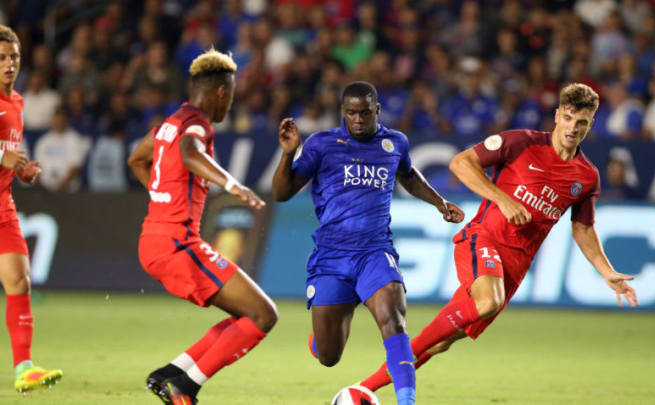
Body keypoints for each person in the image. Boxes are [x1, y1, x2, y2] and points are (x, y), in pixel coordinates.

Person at [358, 83, 639, 395]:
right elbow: (461, 163)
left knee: (440, 343)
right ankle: (391, 363)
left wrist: (607, 271)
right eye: (569, 118)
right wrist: (502, 199)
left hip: (514, 268)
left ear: (590, 125)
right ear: (558, 116)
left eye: (582, 122)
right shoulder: (522, 142)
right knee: (487, 302)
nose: (573, 127)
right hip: (482, 239)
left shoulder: (586, 176)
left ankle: (361, 390)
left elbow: (583, 228)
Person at [272, 81, 465, 405]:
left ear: (376, 111)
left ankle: (407, 401)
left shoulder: (395, 143)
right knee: (329, 356)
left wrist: (440, 203)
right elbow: (281, 193)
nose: (358, 119)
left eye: (364, 113)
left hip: (375, 252)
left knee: (394, 319)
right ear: (342, 113)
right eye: (351, 113)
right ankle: (321, 339)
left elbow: (408, 175)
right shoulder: (322, 144)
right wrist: (289, 153)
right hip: (332, 256)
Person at [127, 49, 277, 405]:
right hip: (177, 244)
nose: (230, 105)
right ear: (222, 93)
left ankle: (172, 374)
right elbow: (191, 154)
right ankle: (186, 386)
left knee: (246, 314)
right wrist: (232, 184)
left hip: (154, 238)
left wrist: (164, 195)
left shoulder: (169, 122)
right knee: (263, 314)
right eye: (232, 96)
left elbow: (137, 158)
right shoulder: (197, 124)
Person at [0, 24, 63, 394]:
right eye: (2, 59)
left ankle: (24, 368)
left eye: (14, 57)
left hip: (3, 205)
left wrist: (21, 169)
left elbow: (7, 156)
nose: (9, 64)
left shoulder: (18, 102)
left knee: (19, 280)